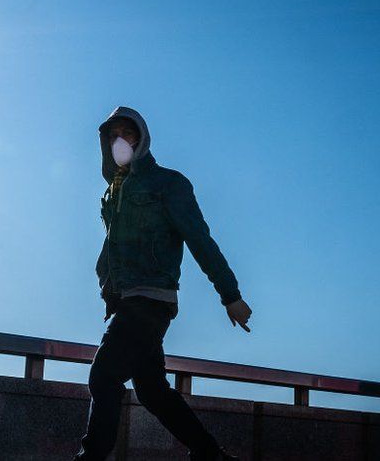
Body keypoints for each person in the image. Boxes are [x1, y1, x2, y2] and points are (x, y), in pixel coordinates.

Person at [74, 106, 253, 461]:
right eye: (112, 135)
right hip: (126, 300)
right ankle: (209, 455)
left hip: (151, 299)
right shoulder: (115, 191)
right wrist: (107, 285)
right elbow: (113, 246)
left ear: (141, 139)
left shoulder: (168, 184)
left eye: (127, 133)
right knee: (153, 391)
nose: (119, 141)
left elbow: (200, 239)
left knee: (104, 377)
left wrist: (229, 294)